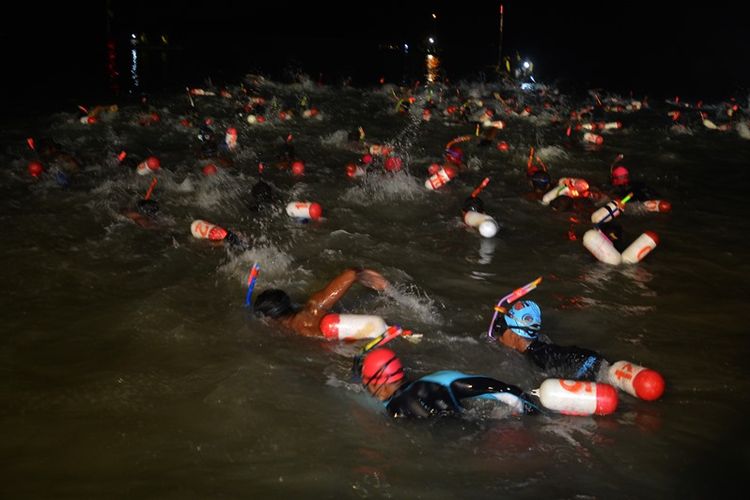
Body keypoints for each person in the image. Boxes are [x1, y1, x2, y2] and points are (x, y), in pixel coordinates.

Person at [357, 348, 537, 418]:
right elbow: (498, 388)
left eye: (369, 385)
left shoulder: (395, 410)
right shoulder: (437, 380)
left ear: (380, 383)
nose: (369, 390)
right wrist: (532, 410)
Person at [491, 300, 608, 381]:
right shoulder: (542, 349)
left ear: (514, 335)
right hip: (591, 360)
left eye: (501, 330)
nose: (499, 337)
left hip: (589, 366)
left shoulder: (538, 357)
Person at [254, 268, 389, 337]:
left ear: (271, 319)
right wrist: (379, 282)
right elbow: (351, 273)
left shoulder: (298, 335)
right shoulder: (314, 306)